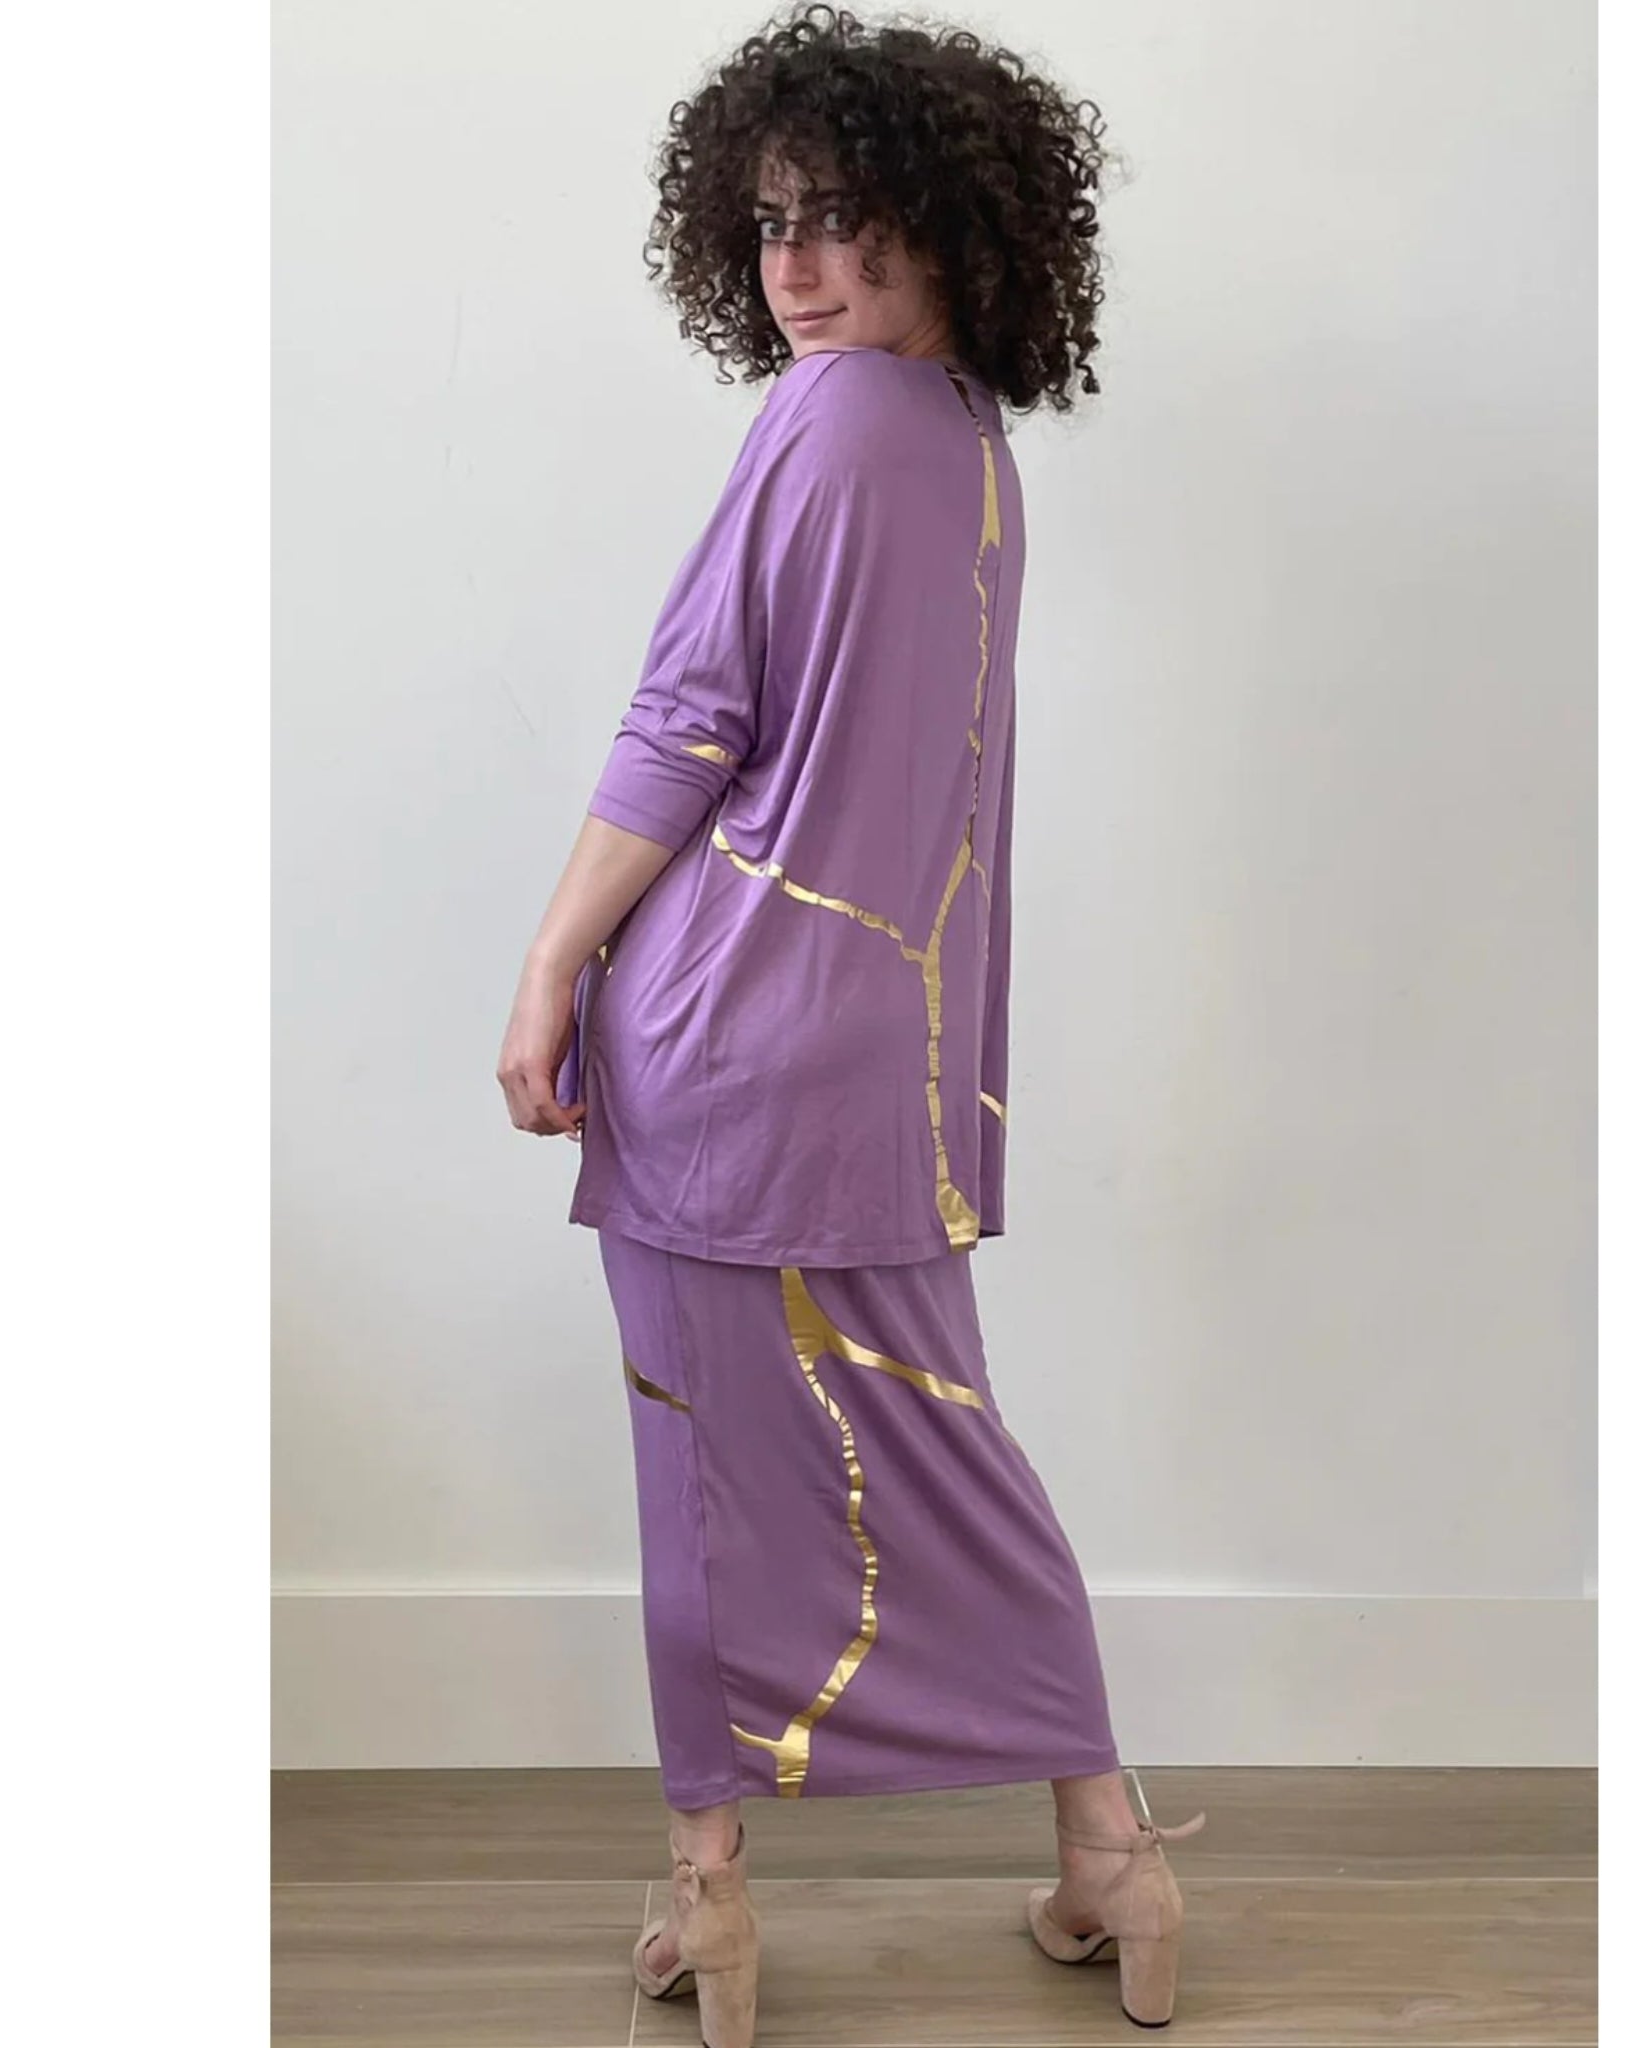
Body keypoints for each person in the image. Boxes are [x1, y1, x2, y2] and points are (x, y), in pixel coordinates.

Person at [496, 9, 1204, 2039]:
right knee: (936, 1440)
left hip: (726, 1030)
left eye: (841, 218)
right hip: (880, 1048)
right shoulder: (968, 444)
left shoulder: (820, 420)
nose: (794, 266)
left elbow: (689, 717)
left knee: (712, 1467)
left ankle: (711, 1898)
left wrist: (549, 965)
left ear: (953, 227)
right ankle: (1106, 1852)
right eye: (770, 224)